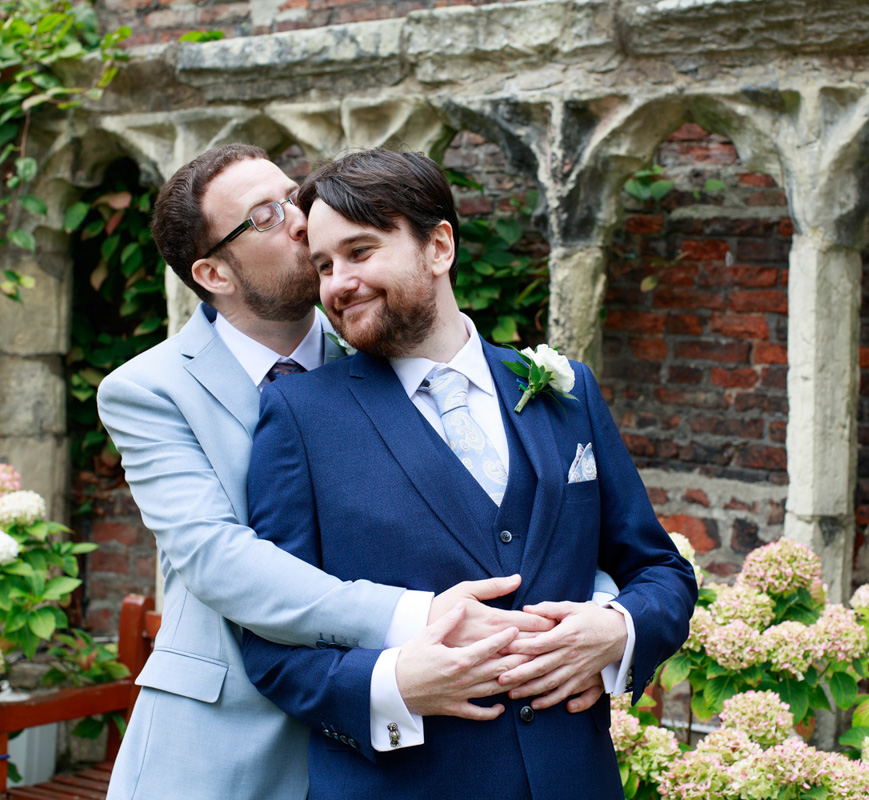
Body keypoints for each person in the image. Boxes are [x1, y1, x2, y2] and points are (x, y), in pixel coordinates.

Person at [96, 144, 615, 800]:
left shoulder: (383, 342)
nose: (300, 219)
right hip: (225, 742)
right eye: (265, 215)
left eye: (293, 195)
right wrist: (412, 617)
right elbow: (216, 557)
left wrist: (595, 611)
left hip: (394, 752)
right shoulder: (149, 389)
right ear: (214, 273)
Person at [241, 149, 698, 800]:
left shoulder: (567, 392)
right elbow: (270, 642)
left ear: (439, 247)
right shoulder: (299, 415)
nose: (338, 284)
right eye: (323, 265)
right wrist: (393, 684)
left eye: (360, 252)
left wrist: (618, 629)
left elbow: (659, 569)